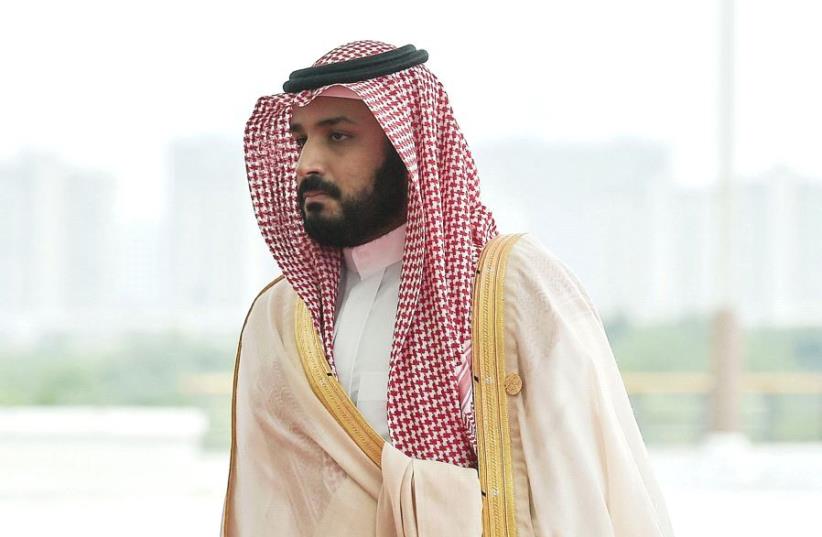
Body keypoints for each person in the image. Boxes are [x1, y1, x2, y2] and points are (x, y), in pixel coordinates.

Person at [221, 40, 674, 537]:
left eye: (339, 137)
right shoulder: (282, 320)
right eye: (301, 138)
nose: (307, 162)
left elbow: (580, 492)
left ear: (408, 145)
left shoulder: (512, 291)